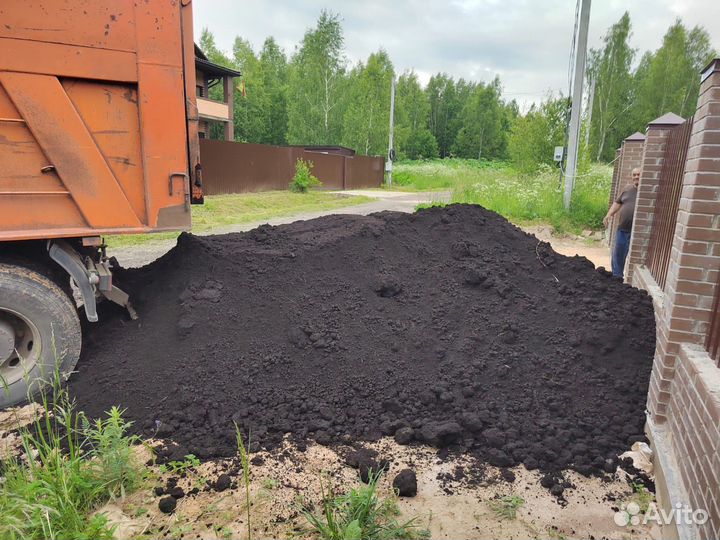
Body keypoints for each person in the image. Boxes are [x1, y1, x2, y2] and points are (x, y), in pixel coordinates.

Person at [603, 167, 640, 279]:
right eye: (634, 175)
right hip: (623, 229)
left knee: (632, 255)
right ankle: (617, 277)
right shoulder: (627, 189)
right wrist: (609, 214)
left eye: (639, 174)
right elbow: (618, 202)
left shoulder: (646, 192)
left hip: (637, 232)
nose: (636, 177)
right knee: (618, 252)